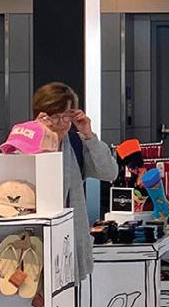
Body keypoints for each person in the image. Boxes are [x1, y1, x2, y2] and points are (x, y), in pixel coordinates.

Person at [32, 82, 118, 281]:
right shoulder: (24, 140)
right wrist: (38, 137)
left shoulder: (76, 143)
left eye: (66, 117)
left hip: (72, 241)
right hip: (35, 241)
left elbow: (110, 172)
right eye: (55, 116)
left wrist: (89, 135)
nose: (61, 123)